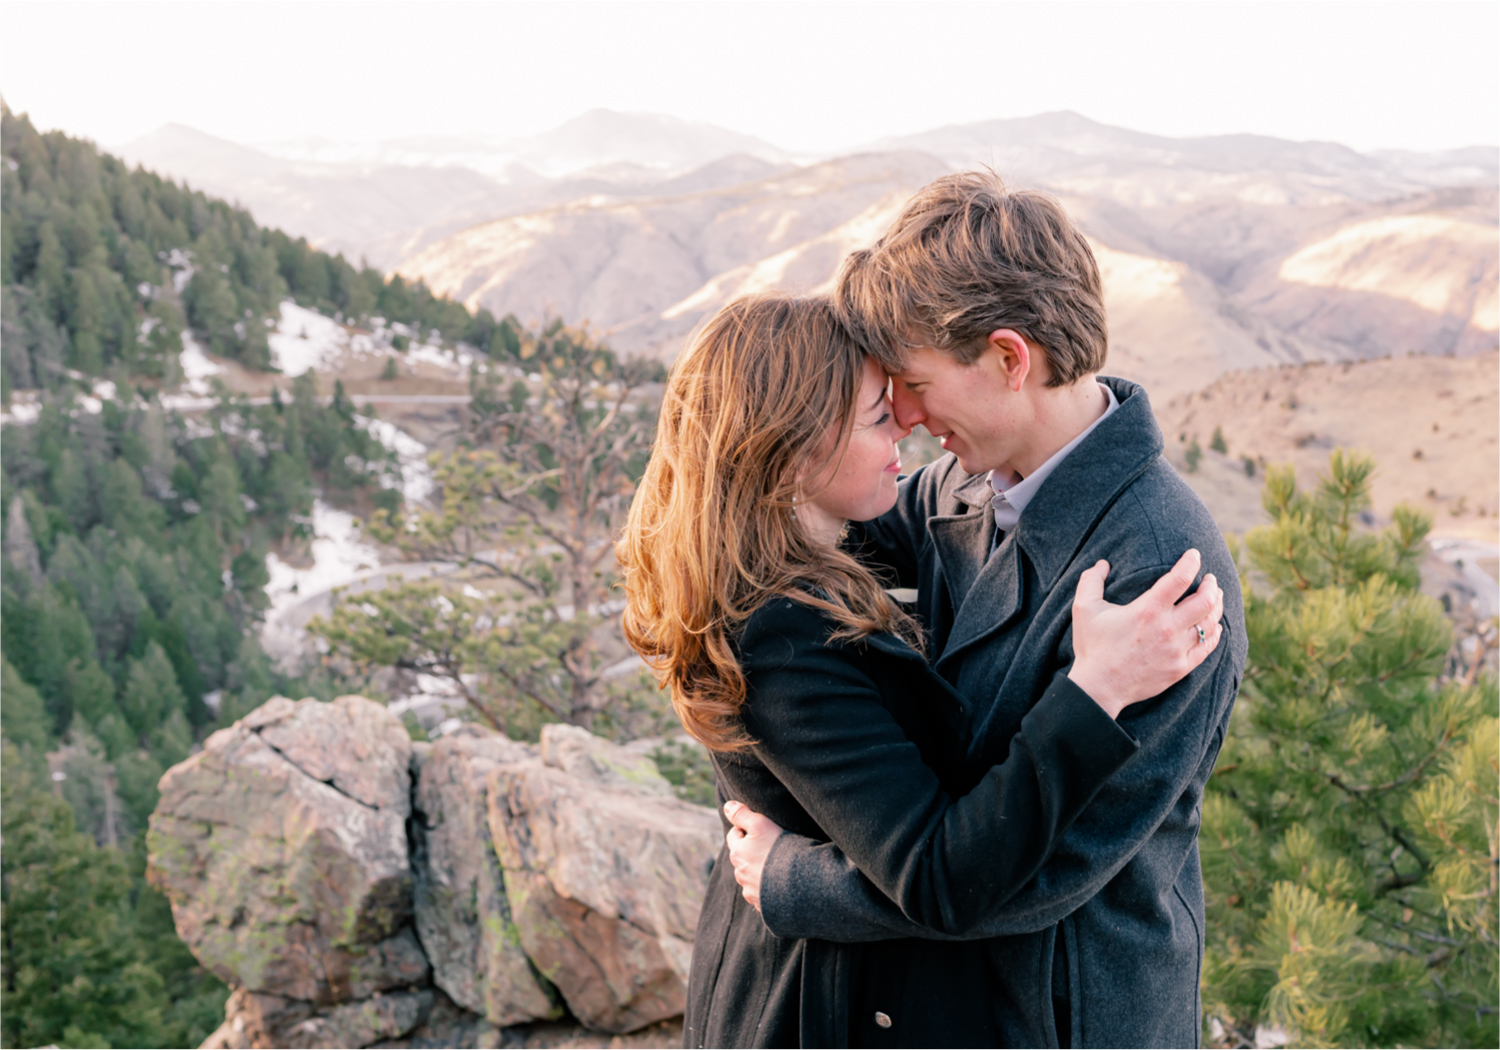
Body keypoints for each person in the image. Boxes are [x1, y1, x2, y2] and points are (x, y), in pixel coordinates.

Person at [617, 291, 1227, 1048]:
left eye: (907, 391)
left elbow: (1063, 863)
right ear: (791, 450)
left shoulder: (1150, 562)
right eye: (879, 414)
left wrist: (799, 878)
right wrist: (1096, 690)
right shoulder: (777, 632)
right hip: (809, 1002)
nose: (905, 423)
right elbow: (942, 874)